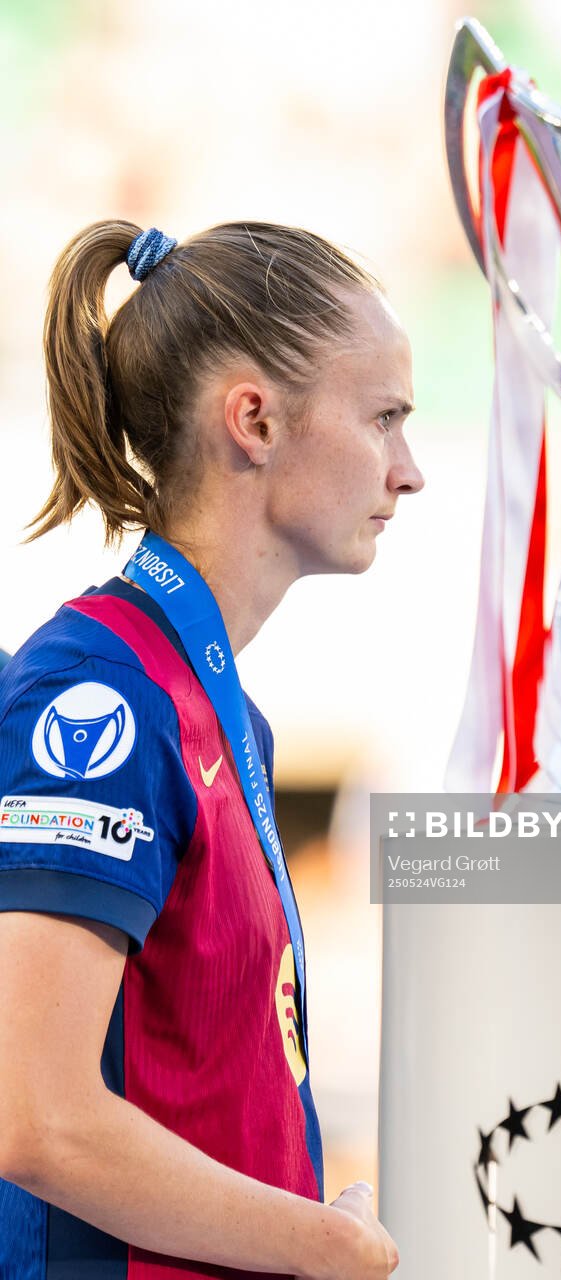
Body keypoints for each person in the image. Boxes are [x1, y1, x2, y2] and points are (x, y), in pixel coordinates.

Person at [0, 219, 423, 1278]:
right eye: (383, 419)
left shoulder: (213, 701)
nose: (408, 470)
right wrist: (322, 1241)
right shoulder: (99, 698)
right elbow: (35, 1116)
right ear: (255, 419)